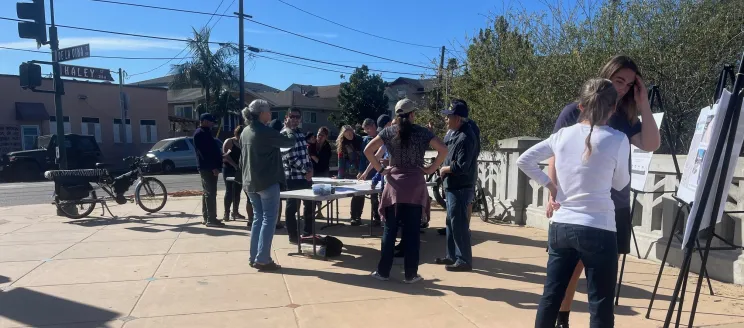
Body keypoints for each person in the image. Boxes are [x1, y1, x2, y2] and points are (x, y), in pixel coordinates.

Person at [548, 55, 661, 328]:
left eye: (629, 84)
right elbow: (554, 153)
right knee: (571, 270)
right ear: (606, 75)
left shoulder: (625, 116)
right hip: (576, 205)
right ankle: (563, 316)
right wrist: (551, 193)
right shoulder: (574, 111)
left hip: (613, 206)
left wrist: (644, 104)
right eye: (619, 80)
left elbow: (651, 143)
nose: (622, 88)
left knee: (602, 277)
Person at [518, 78, 630, 328]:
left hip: (562, 226)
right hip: (600, 227)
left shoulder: (561, 136)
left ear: (580, 106)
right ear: (614, 108)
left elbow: (524, 160)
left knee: (551, 296)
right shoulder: (619, 139)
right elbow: (621, 183)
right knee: (600, 302)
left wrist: (551, 186)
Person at [364, 99, 448, 284]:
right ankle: (411, 274)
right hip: (415, 186)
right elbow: (443, 149)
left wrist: (380, 170)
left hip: (394, 186)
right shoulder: (422, 132)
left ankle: (383, 272)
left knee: (389, 231)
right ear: (412, 114)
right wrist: (430, 169)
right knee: (412, 233)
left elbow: (368, 150)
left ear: (396, 114)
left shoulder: (388, 132)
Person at [241, 99, 296, 271]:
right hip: (267, 181)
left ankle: (254, 256)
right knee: (269, 220)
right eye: (268, 111)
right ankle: (263, 259)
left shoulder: (245, 131)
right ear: (261, 113)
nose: (270, 114)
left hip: (250, 182)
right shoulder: (264, 131)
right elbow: (288, 142)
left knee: (258, 219)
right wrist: (288, 128)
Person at [436, 99, 477, 272]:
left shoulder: (465, 137)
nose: (446, 120)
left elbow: (462, 166)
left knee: (459, 223)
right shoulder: (455, 134)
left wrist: (445, 168)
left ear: (458, 118)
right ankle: (452, 255)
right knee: (451, 223)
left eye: (449, 117)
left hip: (460, 187)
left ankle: (464, 260)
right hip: (452, 186)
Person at [282, 108, 315, 244]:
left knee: (310, 206)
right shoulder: (284, 134)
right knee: (292, 209)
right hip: (293, 178)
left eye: (297, 117)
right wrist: (305, 171)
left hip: (305, 177)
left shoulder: (300, 134)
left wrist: (310, 169)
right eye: (292, 116)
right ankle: (293, 236)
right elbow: (290, 158)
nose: (295, 119)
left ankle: (308, 234)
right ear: (286, 117)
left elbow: (305, 155)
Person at [194, 113, 224, 227]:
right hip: (207, 168)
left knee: (207, 193)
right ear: (205, 121)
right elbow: (204, 153)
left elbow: (212, 150)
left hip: (210, 166)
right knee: (210, 193)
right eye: (211, 121)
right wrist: (213, 167)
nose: (212, 123)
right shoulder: (200, 134)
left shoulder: (206, 133)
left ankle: (207, 217)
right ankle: (211, 219)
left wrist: (221, 156)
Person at [336, 125, 365, 226]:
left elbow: (364, 156)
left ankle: (358, 216)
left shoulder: (360, 140)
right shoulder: (342, 144)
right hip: (350, 172)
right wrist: (340, 176)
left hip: (362, 170)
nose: (350, 135)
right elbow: (341, 161)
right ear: (343, 134)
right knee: (356, 195)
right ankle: (353, 216)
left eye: (351, 132)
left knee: (361, 195)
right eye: (347, 133)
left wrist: (363, 170)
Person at [355, 118, 382, 226]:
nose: (367, 131)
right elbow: (363, 157)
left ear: (374, 126)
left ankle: (377, 217)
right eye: (365, 130)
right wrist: (361, 170)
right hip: (368, 170)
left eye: (368, 129)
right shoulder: (365, 140)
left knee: (377, 196)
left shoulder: (381, 137)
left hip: (379, 170)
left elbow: (379, 156)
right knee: (363, 194)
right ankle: (357, 216)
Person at [222, 125, 247, 222]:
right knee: (229, 191)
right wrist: (234, 165)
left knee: (237, 191)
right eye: (239, 135)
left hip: (240, 170)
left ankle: (235, 212)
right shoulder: (229, 141)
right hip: (229, 169)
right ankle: (226, 213)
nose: (240, 138)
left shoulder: (244, 143)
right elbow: (225, 156)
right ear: (236, 134)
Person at [310, 127, 333, 218]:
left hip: (323, 171)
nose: (319, 136)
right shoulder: (312, 144)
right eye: (318, 134)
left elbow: (320, 161)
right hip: (312, 170)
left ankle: (319, 212)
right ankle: (310, 212)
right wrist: (312, 156)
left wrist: (312, 155)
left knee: (320, 193)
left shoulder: (327, 147)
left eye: (322, 135)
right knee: (310, 192)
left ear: (326, 137)